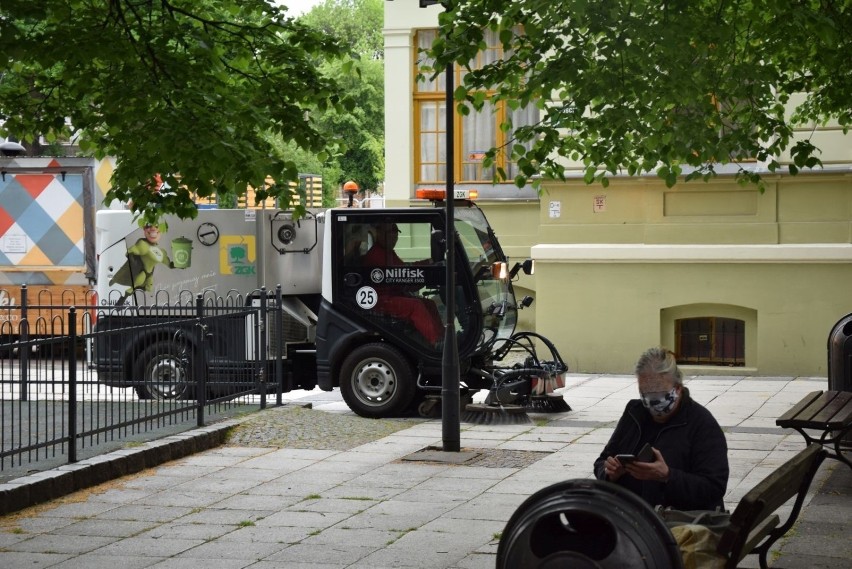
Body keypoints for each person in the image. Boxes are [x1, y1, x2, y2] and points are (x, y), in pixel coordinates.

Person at [593, 347, 729, 511]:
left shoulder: (702, 423)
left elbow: (714, 488)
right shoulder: (634, 412)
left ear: (677, 388)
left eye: (659, 393)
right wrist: (609, 473)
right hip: (631, 514)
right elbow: (602, 461)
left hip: (677, 522)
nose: (652, 402)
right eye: (645, 393)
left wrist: (667, 476)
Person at [361, 222, 443, 347]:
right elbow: (404, 274)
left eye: (395, 234)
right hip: (381, 301)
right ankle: (436, 344)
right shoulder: (377, 254)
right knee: (416, 306)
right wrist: (426, 270)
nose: (394, 237)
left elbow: (405, 269)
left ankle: (443, 339)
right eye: (390, 233)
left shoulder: (388, 252)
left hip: (393, 294)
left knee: (429, 304)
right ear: (379, 233)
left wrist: (430, 263)